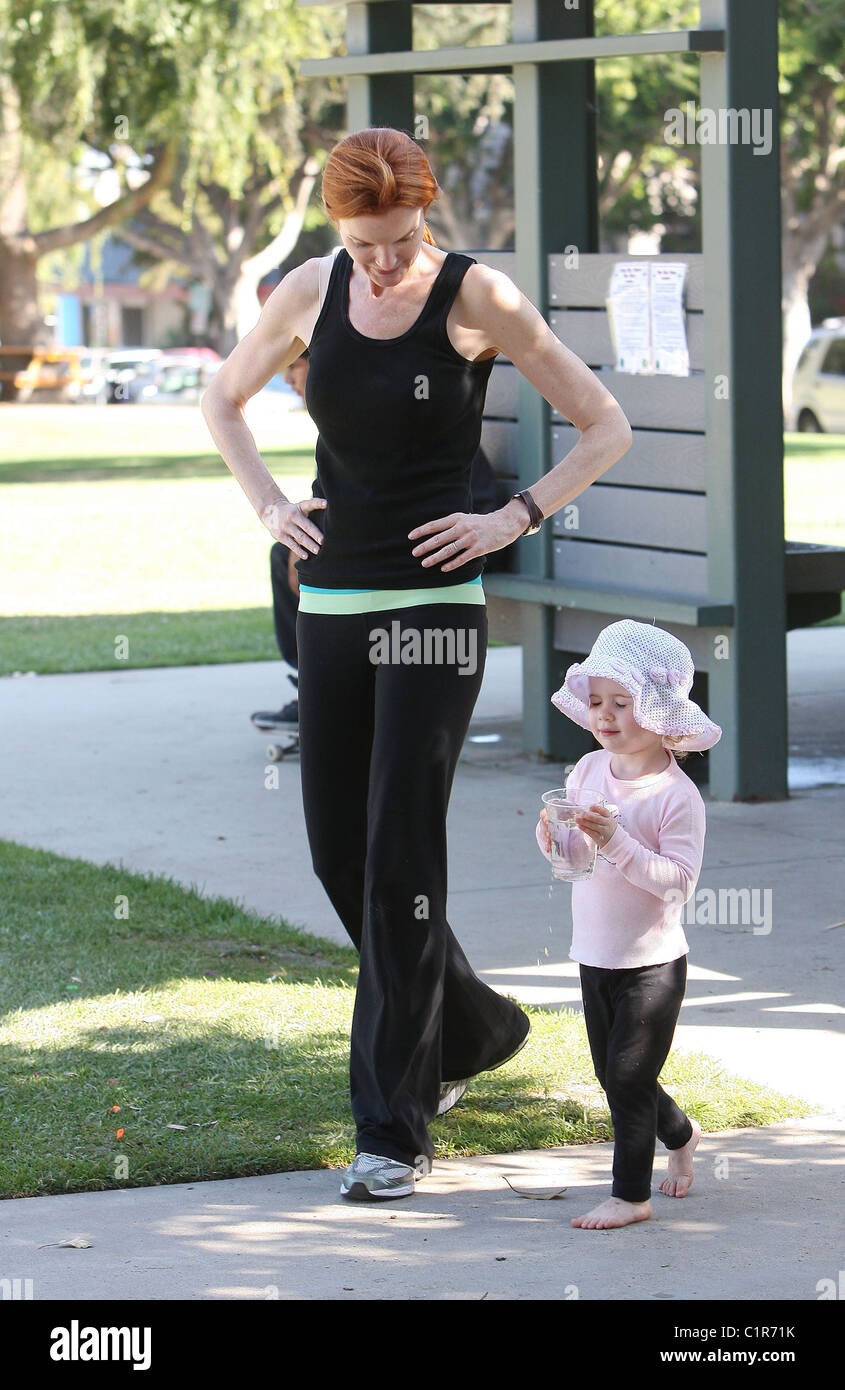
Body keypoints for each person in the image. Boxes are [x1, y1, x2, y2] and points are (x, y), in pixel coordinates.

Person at [202, 127, 632, 1202]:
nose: (380, 264)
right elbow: (221, 399)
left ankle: (392, 1122)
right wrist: (266, 504)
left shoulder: (480, 298)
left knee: (399, 849)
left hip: (436, 609)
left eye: (395, 242)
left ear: (421, 218)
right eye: (362, 244)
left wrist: (511, 519)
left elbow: (602, 423)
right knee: (334, 853)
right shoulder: (308, 288)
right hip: (333, 601)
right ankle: (478, 1023)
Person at [535, 620, 722, 1229]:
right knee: (613, 1072)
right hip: (594, 951)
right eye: (596, 702)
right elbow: (579, 858)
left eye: (623, 703)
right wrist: (555, 838)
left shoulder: (675, 795)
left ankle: (630, 1195)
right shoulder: (589, 768)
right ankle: (681, 1132)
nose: (605, 716)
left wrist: (616, 839)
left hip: (652, 963)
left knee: (627, 1075)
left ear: (662, 714)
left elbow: (678, 882)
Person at [251, 350, 509, 735]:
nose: (288, 379)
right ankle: (311, 682)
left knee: (305, 554)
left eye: (293, 367)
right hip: (404, 542)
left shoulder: (396, 408)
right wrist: (284, 517)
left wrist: (520, 515)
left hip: (462, 535)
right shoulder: (349, 416)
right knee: (289, 551)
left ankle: (344, 693)